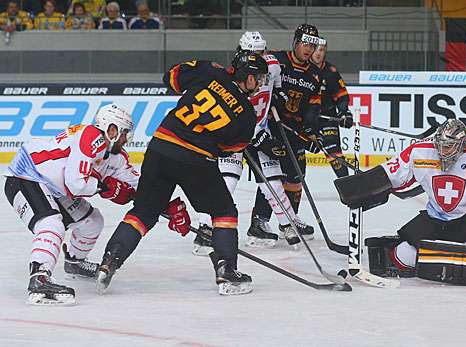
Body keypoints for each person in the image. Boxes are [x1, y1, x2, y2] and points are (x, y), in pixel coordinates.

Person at [95, 51, 268, 296]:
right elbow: (229, 149)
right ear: (247, 77)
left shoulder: (210, 70)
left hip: (160, 147)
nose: (259, 84)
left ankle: (109, 262)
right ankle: (226, 270)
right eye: (257, 78)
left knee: (143, 212)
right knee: (223, 211)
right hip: (196, 159)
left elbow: (172, 78)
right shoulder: (247, 115)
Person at [336, 119, 466, 277]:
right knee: (402, 256)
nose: (443, 152)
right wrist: (362, 187)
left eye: (449, 147)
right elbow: (392, 172)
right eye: (440, 146)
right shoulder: (420, 151)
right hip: (436, 219)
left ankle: (464, 251)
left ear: (462, 144)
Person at [192, 31, 316, 256]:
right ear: (241, 51)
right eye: (250, 53)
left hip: (260, 130)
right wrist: (256, 138)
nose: (255, 58)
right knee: (226, 181)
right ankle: (205, 228)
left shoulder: (273, 66)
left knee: (273, 179)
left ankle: (286, 224)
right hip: (235, 135)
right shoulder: (231, 76)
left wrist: (279, 100)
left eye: (259, 52)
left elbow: (277, 92)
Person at [4, 104, 137, 305]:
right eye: (124, 132)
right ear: (111, 128)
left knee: (92, 221)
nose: (126, 138)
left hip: (56, 188)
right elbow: (76, 183)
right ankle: (39, 278)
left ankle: (74, 262)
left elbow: (140, 184)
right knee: (51, 224)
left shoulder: (116, 157)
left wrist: (162, 203)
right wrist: (103, 186)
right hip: (27, 175)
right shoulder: (92, 136)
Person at [250, 24, 347, 240]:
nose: (309, 49)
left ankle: (290, 220)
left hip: (293, 130)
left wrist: (311, 131)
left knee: (296, 176)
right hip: (271, 127)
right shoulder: (276, 60)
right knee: (272, 174)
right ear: (295, 41)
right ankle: (259, 222)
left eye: (312, 45)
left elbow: (311, 107)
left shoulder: (314, 74)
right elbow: (254, 77)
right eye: (305, 43)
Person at [310, 36, 353, 178]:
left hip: (326, 117)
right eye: (315, 49)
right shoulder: (300, 69)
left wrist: (343, 112)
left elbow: (341, 96)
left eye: (321, 50)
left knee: (333, 151)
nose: (318, 53)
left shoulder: (330, 72)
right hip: (303, 119)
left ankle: (346, 183)